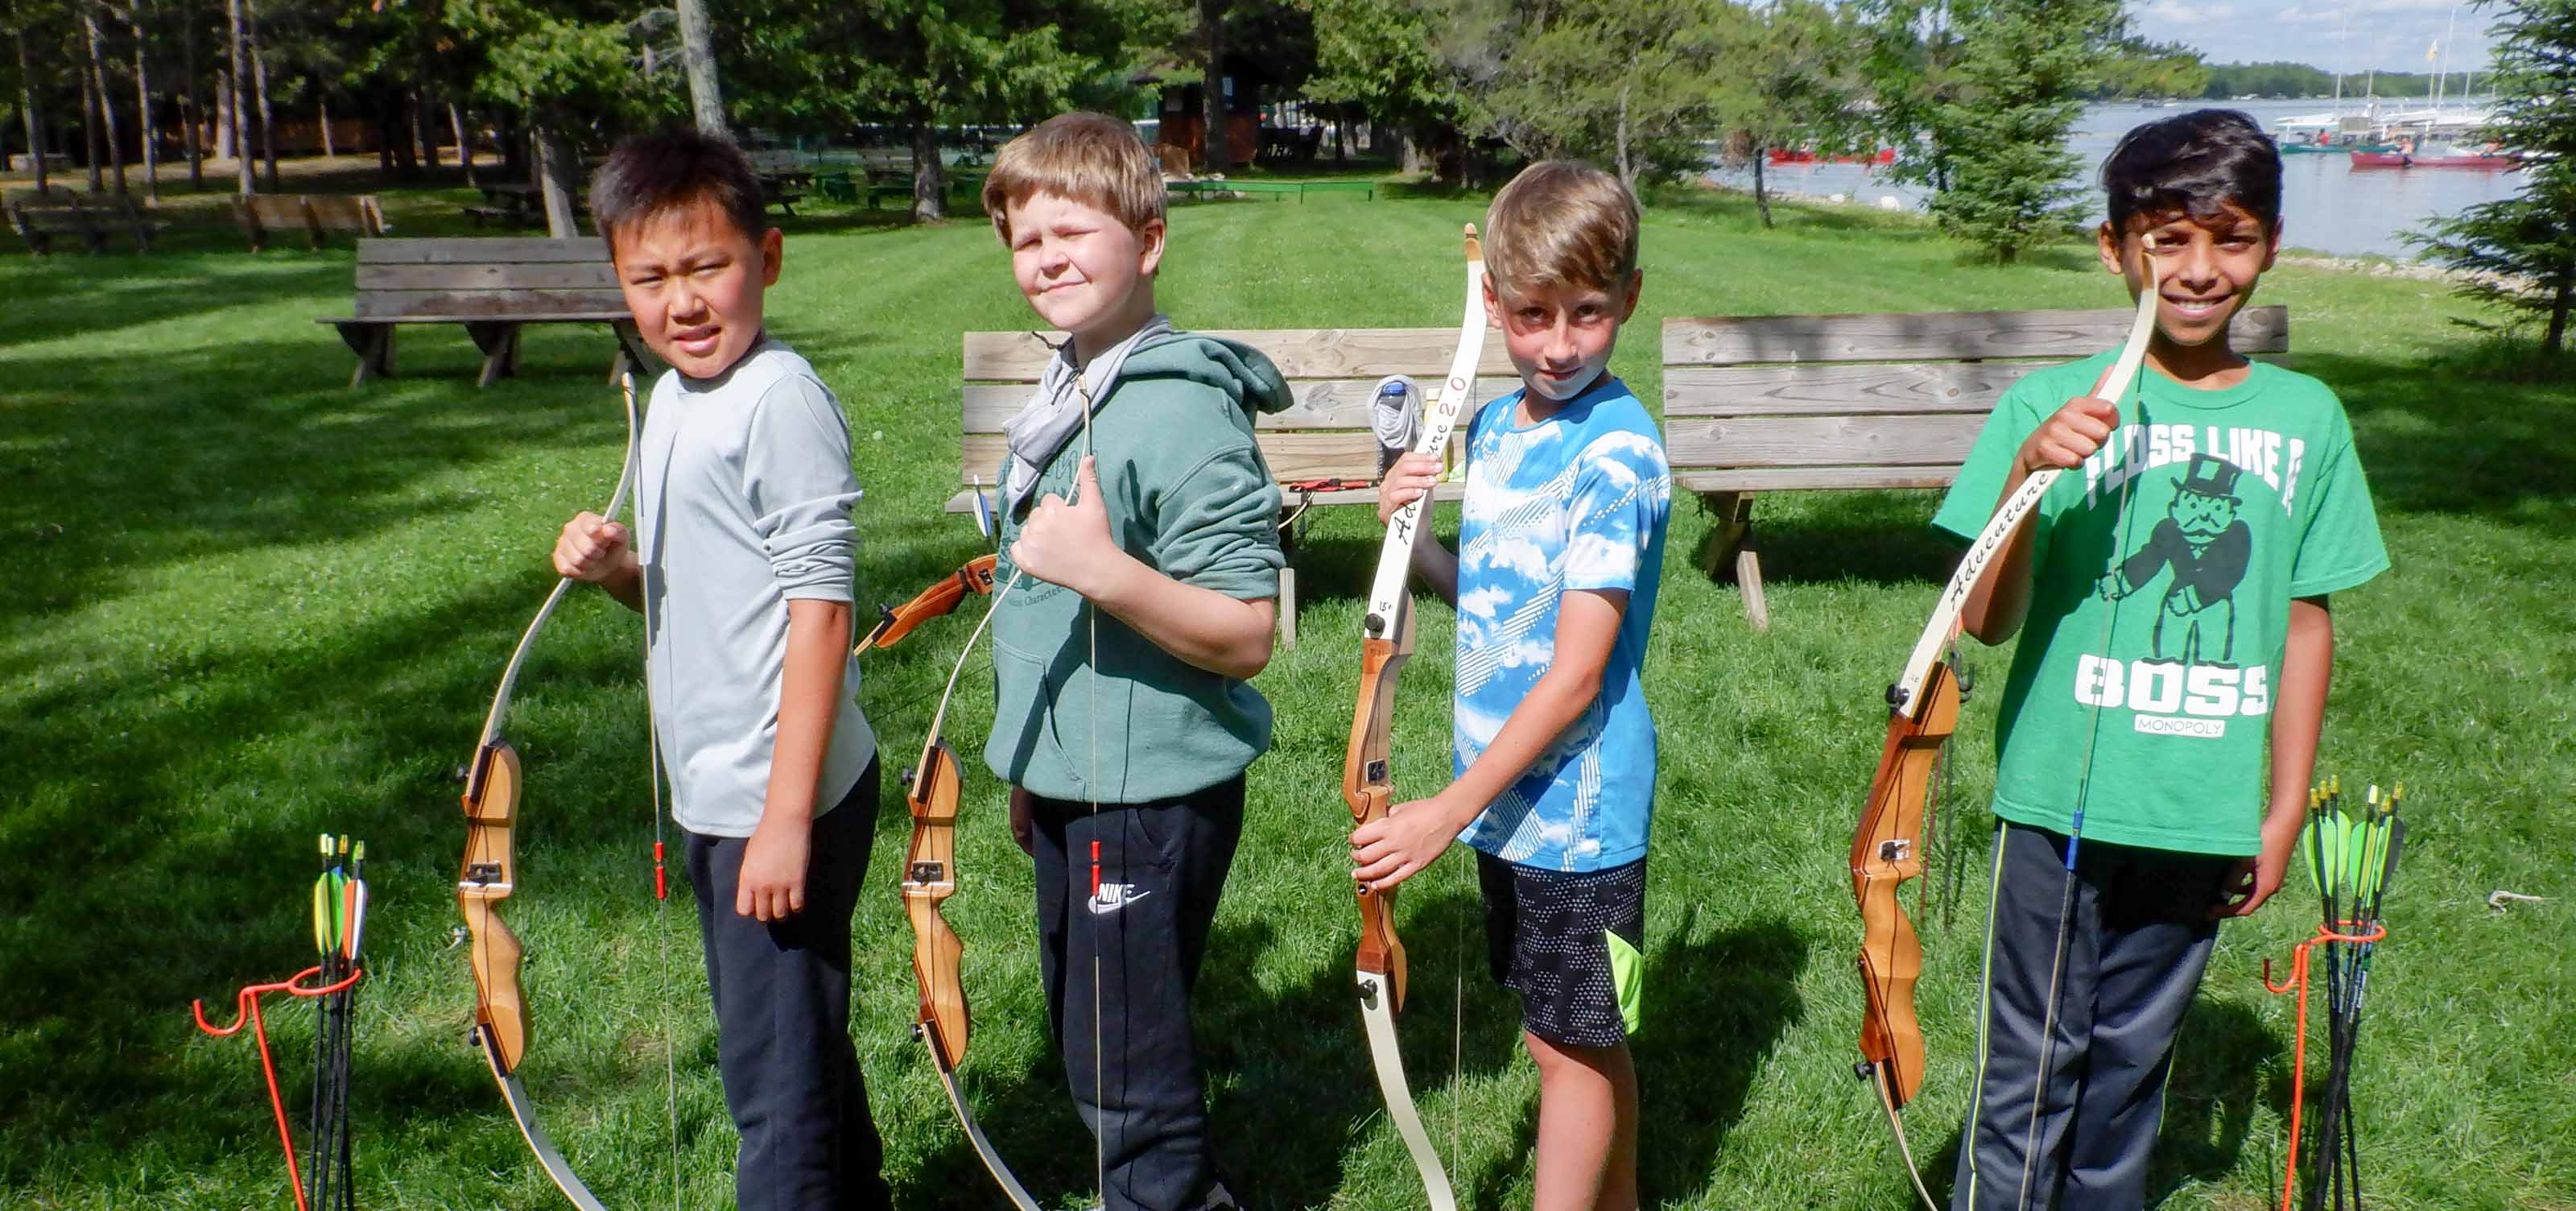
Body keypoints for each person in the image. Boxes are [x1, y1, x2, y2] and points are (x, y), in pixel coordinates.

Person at [1932, 109, 2388, 1209]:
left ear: (2270, 245)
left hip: (2201, 810)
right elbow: (1982, 618)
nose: (2197, 269)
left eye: (2228, 239)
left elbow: (2303, 621)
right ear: (2114, 248)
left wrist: (2280, 812)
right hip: (2058, 808)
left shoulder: (2307, 417)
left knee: (2132, 1074)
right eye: (2166, 239)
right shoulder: (2049, 404)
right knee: (2028, 1078)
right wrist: (2029, 480)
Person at [549, 129, 891, 1211]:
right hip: (724, 792)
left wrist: (783, 817)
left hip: (772, 796)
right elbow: (695, 592)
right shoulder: (674, 402)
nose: (682, 303)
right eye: (651, 279)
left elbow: (823, 612)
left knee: (769, 1085)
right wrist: (618, 573)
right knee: (795, 1038)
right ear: (620, 285)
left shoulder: (774, 398)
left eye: (708, 267)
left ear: (769, 259)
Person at [977, 111, 1291, 1211]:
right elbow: (1043, 619)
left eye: (1075, 231)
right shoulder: (1070, 395)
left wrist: (1103, 571)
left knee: (1128, 1077)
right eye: (1027, 240)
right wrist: (1033, 768)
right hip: (1080, 781)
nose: (1049, 258)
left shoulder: (1183, 413)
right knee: (1092, 1041)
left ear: (1149, 242)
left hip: (1149, 795)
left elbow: (1246, 631)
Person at [1364, 159, 1672, 1211]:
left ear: (1629, 297)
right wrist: (1409, 533)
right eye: (1532, 314)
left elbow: (1580, 671)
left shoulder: (1615, 458)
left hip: (1581, 819)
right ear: (1490, 302)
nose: (1557, 344)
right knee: (1585, 1033)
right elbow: (1487, 591)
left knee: (1568, 1044)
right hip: (1512, 801)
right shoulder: (1500, 430)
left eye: (1588, 314)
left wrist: (1445, 812)